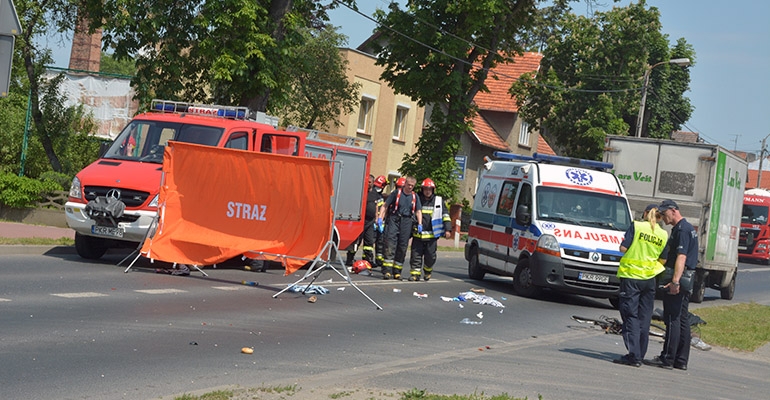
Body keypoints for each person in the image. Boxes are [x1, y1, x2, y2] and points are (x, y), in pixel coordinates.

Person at [645, 199, 698, 371]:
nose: (662, 216)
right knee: (682, 320)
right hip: (688, 278)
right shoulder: (688, 228)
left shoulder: (682, 230)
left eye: (664, 212)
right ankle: (681, 359)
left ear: (673, 210)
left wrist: (675, 281)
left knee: (672, 319)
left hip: (679, 279)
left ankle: (667, 357)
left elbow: (681, 257)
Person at [613, 204, 668, 367]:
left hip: (631, 276)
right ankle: (640, 354)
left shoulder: (637, 226)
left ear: (645, 213)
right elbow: (663, 259)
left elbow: (623, 248)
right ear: (659, 217)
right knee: (644, 317)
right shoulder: (663, 234)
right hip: (649, 279)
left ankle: (633, 356)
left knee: (630, 315)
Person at [407, 178, 452, 281]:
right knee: (415, 256)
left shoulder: (439, 201)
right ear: (422, 189)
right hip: (418, 235)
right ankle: (415, 274)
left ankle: (427, 271)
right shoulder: (417, 199)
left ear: (433, 190)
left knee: (430, 257)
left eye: (430, 189)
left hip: (432, 236)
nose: (427, 191)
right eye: (425, 189)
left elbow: (445, 215)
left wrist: (448, 229)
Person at [378, 176, 422, 280]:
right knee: (390, 244)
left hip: (407, 222)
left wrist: (420, 223)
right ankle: (387, 271)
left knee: (402, 247)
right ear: (405, 184)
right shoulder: (397, 193)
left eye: (412, 186)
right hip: (395, 219)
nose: (410, 187)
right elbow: (385, 205)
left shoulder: (415, 197)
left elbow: (418, 211)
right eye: (408, 185)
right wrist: (380, 218)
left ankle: (397, 272)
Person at [345, 175, 384, 267]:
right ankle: (350, 259)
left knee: (369, 242)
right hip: (361, 221)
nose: (368, 184)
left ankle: (368, 260)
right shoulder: (361, 192)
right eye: (367, 182)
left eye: (370, 182)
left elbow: (376, 206)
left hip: (370, 222)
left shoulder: (374, 193)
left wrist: (377, 218)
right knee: (356, 241)